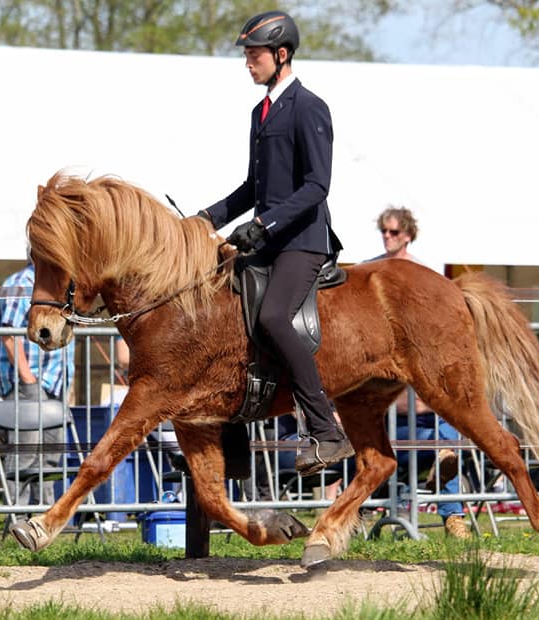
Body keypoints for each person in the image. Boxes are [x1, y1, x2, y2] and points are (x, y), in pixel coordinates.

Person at [196, 11, 352, 476]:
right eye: (246, 55)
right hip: (267, 239)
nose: (248, 63)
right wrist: (208, 217)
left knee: (272, 317)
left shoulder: (309, 107)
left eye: (254, 55)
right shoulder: (259, 112)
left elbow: (316, 186)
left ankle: (325, 430)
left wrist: (263, 225)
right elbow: (253, 185)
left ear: (281, 55)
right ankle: (235, 439)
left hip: (302, 239)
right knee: (222, 316)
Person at [369, 207, 471, 539]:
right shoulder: (371, 271)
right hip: (388, 397)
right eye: (384, 231)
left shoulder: (424, 274)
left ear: (408, 234)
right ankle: (353, 513)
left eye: (394, 232)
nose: (387, 236)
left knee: (446, 425)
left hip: (421, 395)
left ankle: (453, 514)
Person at [0, 258, 76, 506]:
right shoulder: (20, 284)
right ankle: (17, 516)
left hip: (55, 384)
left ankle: (43, 513)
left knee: (51, 456)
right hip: (28, 384)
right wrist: (27, 378)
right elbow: (8, 334)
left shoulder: (61, 286)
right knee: (24, 455)